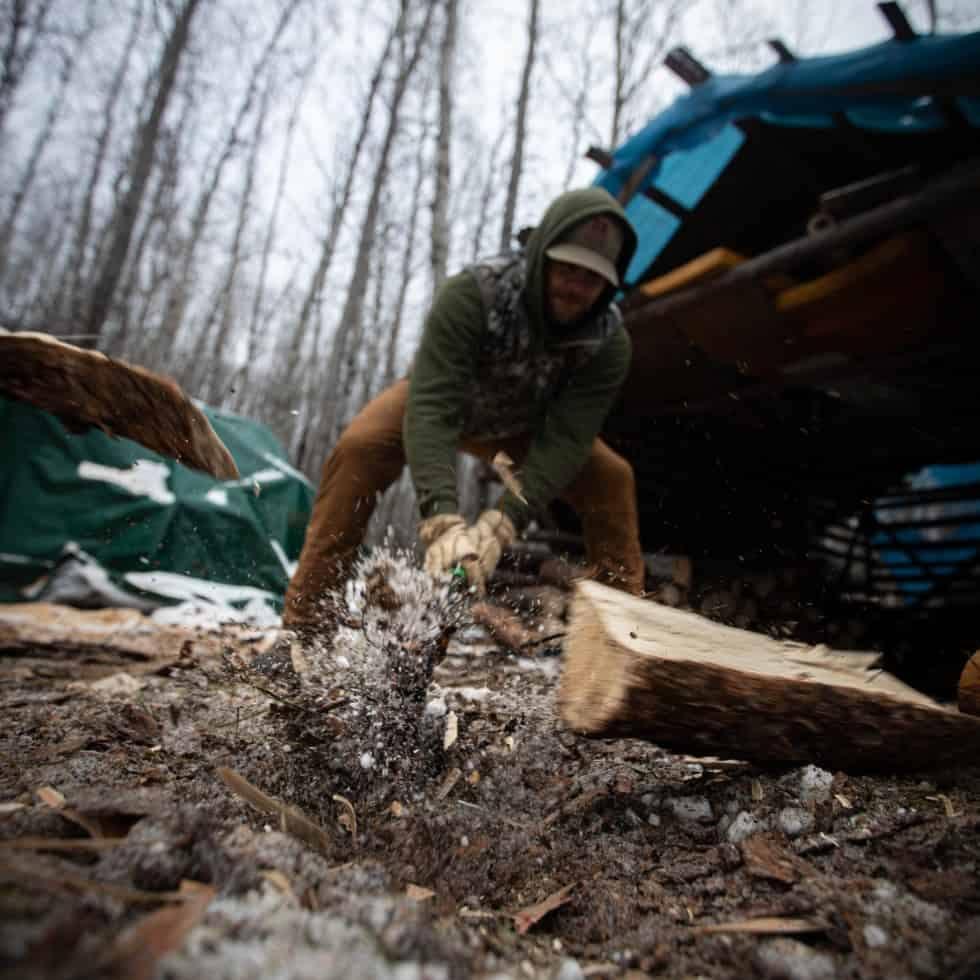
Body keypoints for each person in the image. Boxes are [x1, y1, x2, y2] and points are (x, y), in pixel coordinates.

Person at [283, 186, 646, 634]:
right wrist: (441, 520)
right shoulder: (475, 293)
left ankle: (626, 640)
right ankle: (303, 626)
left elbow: (567, 440)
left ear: (609, 284)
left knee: (612, 478)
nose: (575, 288)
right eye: (566, 270)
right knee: (360, 448)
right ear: (541, 258)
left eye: (590, 280)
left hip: (525, 425)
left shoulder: (608, 343)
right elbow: (432, 406)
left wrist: (504, 522)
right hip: (444, 402)